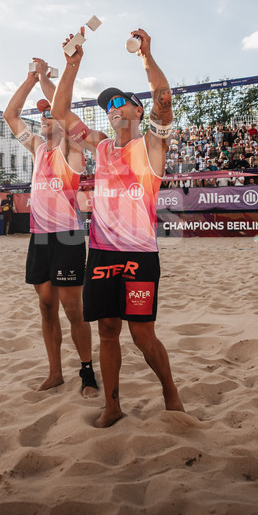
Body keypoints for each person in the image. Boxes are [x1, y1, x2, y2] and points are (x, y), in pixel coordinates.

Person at [52, 27, 184, 428]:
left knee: (143, 335)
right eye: (109, 106)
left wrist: (146, 56)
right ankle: (112, 405)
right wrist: (72, 65)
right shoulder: (102, 147)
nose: (113, 109)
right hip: (103, 254)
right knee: (108, 330)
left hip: (140, 256)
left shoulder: (151, 146)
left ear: (137, 111)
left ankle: (170, 392)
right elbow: (60, 112)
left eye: (121, 103)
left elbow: (164, 100)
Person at [3, 57, 97, 397]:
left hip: (68, 235)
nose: (41, 117)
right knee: (46, 305)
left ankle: (87, 372)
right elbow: (9, 116)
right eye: (40, 114)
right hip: (39, 236)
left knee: (74, 309)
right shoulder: (37, 148)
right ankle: (55, 372)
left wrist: (50, 83)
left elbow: (62, 107)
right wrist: (31, 78)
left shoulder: (71, 150)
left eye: (47, 114)